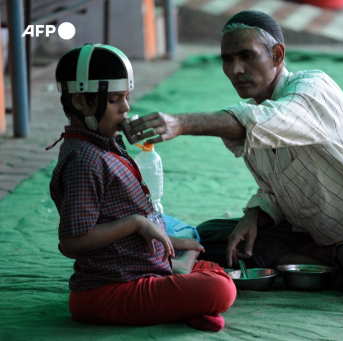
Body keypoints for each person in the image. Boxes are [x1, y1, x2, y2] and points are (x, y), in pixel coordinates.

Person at [130, 11, 343, 293]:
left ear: (277, 55)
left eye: (247, 56)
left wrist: (181, 123)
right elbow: (276, 189)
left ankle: (310, 258)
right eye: (227, 59)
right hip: (310, 234)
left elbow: (265, 123)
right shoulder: (252, 117)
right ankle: (310, 259)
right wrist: (254, 215)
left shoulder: (313, 88)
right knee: (207, 237)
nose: (235, 69)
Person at [48, 44, 236, 331]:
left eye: (126, 98)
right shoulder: (83, 160)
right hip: (105, 292)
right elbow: (74, 241)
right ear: (80, 102)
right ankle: (182, 290)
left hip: (138, 269)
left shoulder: (102, 142)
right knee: (220, 288)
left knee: (208, 261)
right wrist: (137, 223)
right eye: (113, 100)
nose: (126, 108)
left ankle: (179, 291)